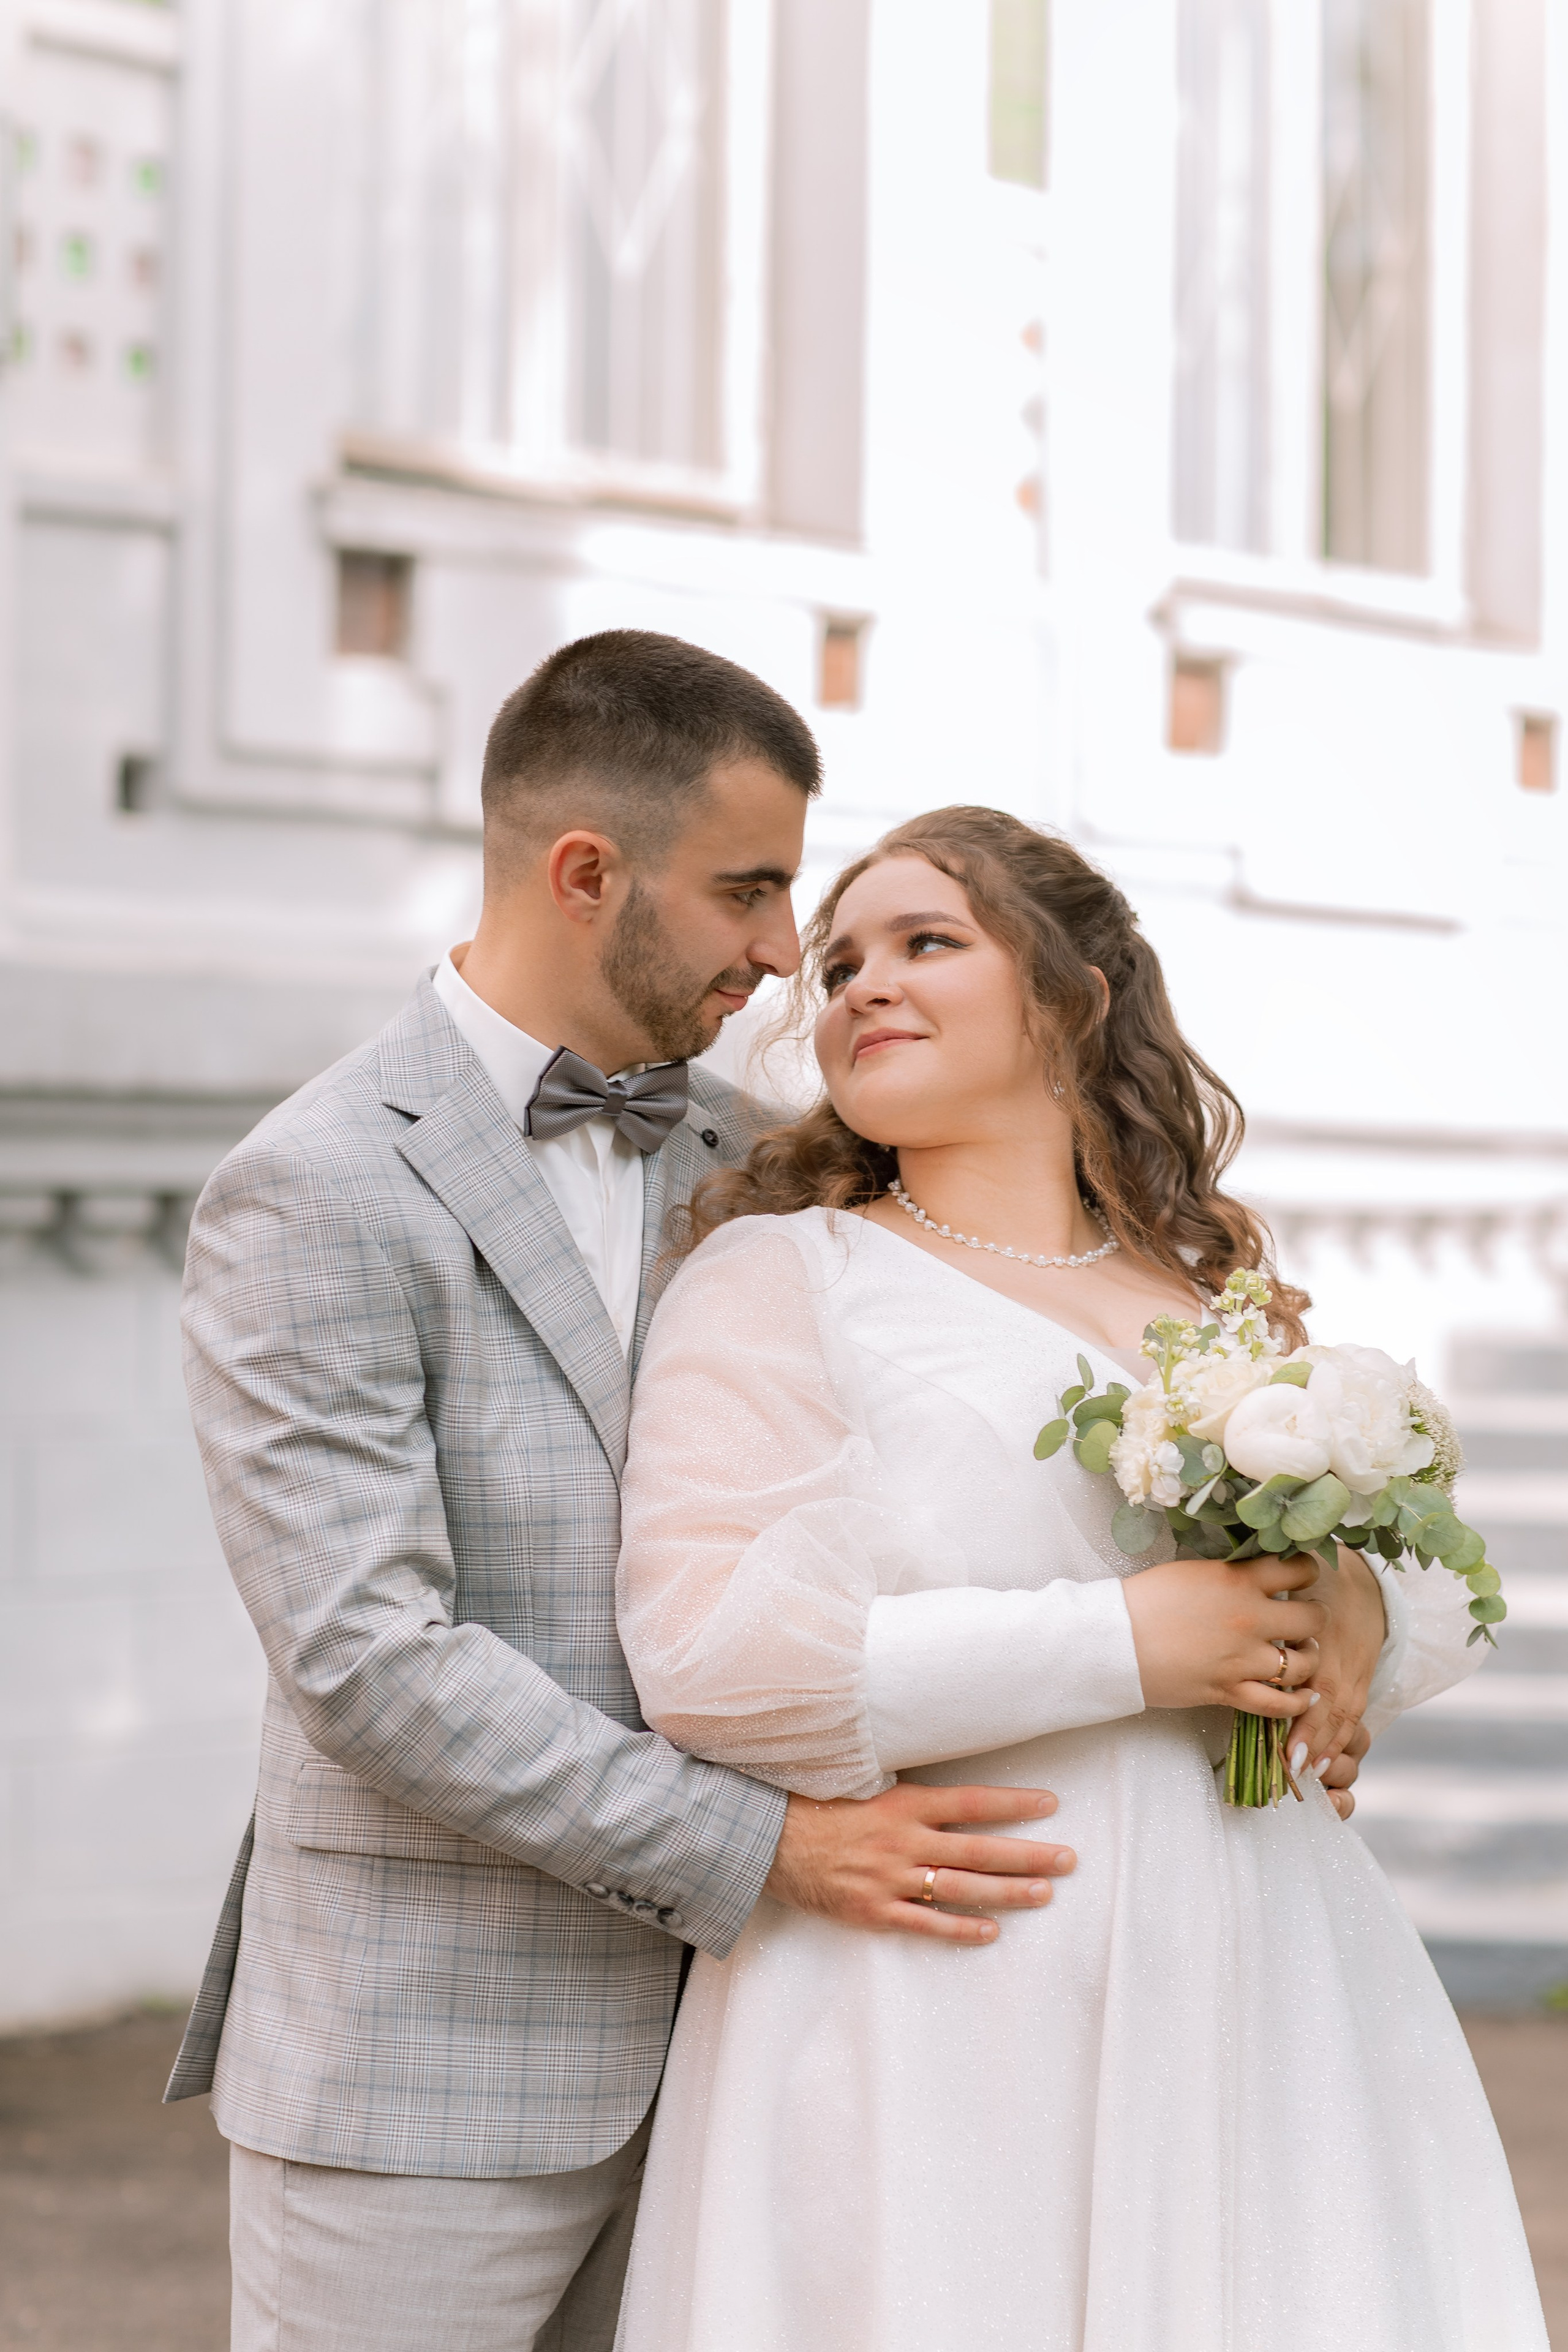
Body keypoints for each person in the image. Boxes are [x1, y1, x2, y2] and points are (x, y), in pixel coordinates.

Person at [163, 639, 1086, 2352]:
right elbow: (367, 1656)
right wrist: (768, 1850)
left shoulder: (768, 1166)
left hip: (765, 2055)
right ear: (586, 873)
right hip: (425, 2069)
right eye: (747, 890)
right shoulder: (313, 1187)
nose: (781, 951)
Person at [612, 805, 1548, 2352]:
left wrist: (1358, 1617)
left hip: (1258, 1973)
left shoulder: (1214, 1296)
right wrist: (1131, 1643)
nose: (861, 985)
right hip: (946, 1989)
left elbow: (1431, 1582)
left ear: (1071, 994)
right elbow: (711, 1657)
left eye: (926, 942)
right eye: (839, 966)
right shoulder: (787, 1277)